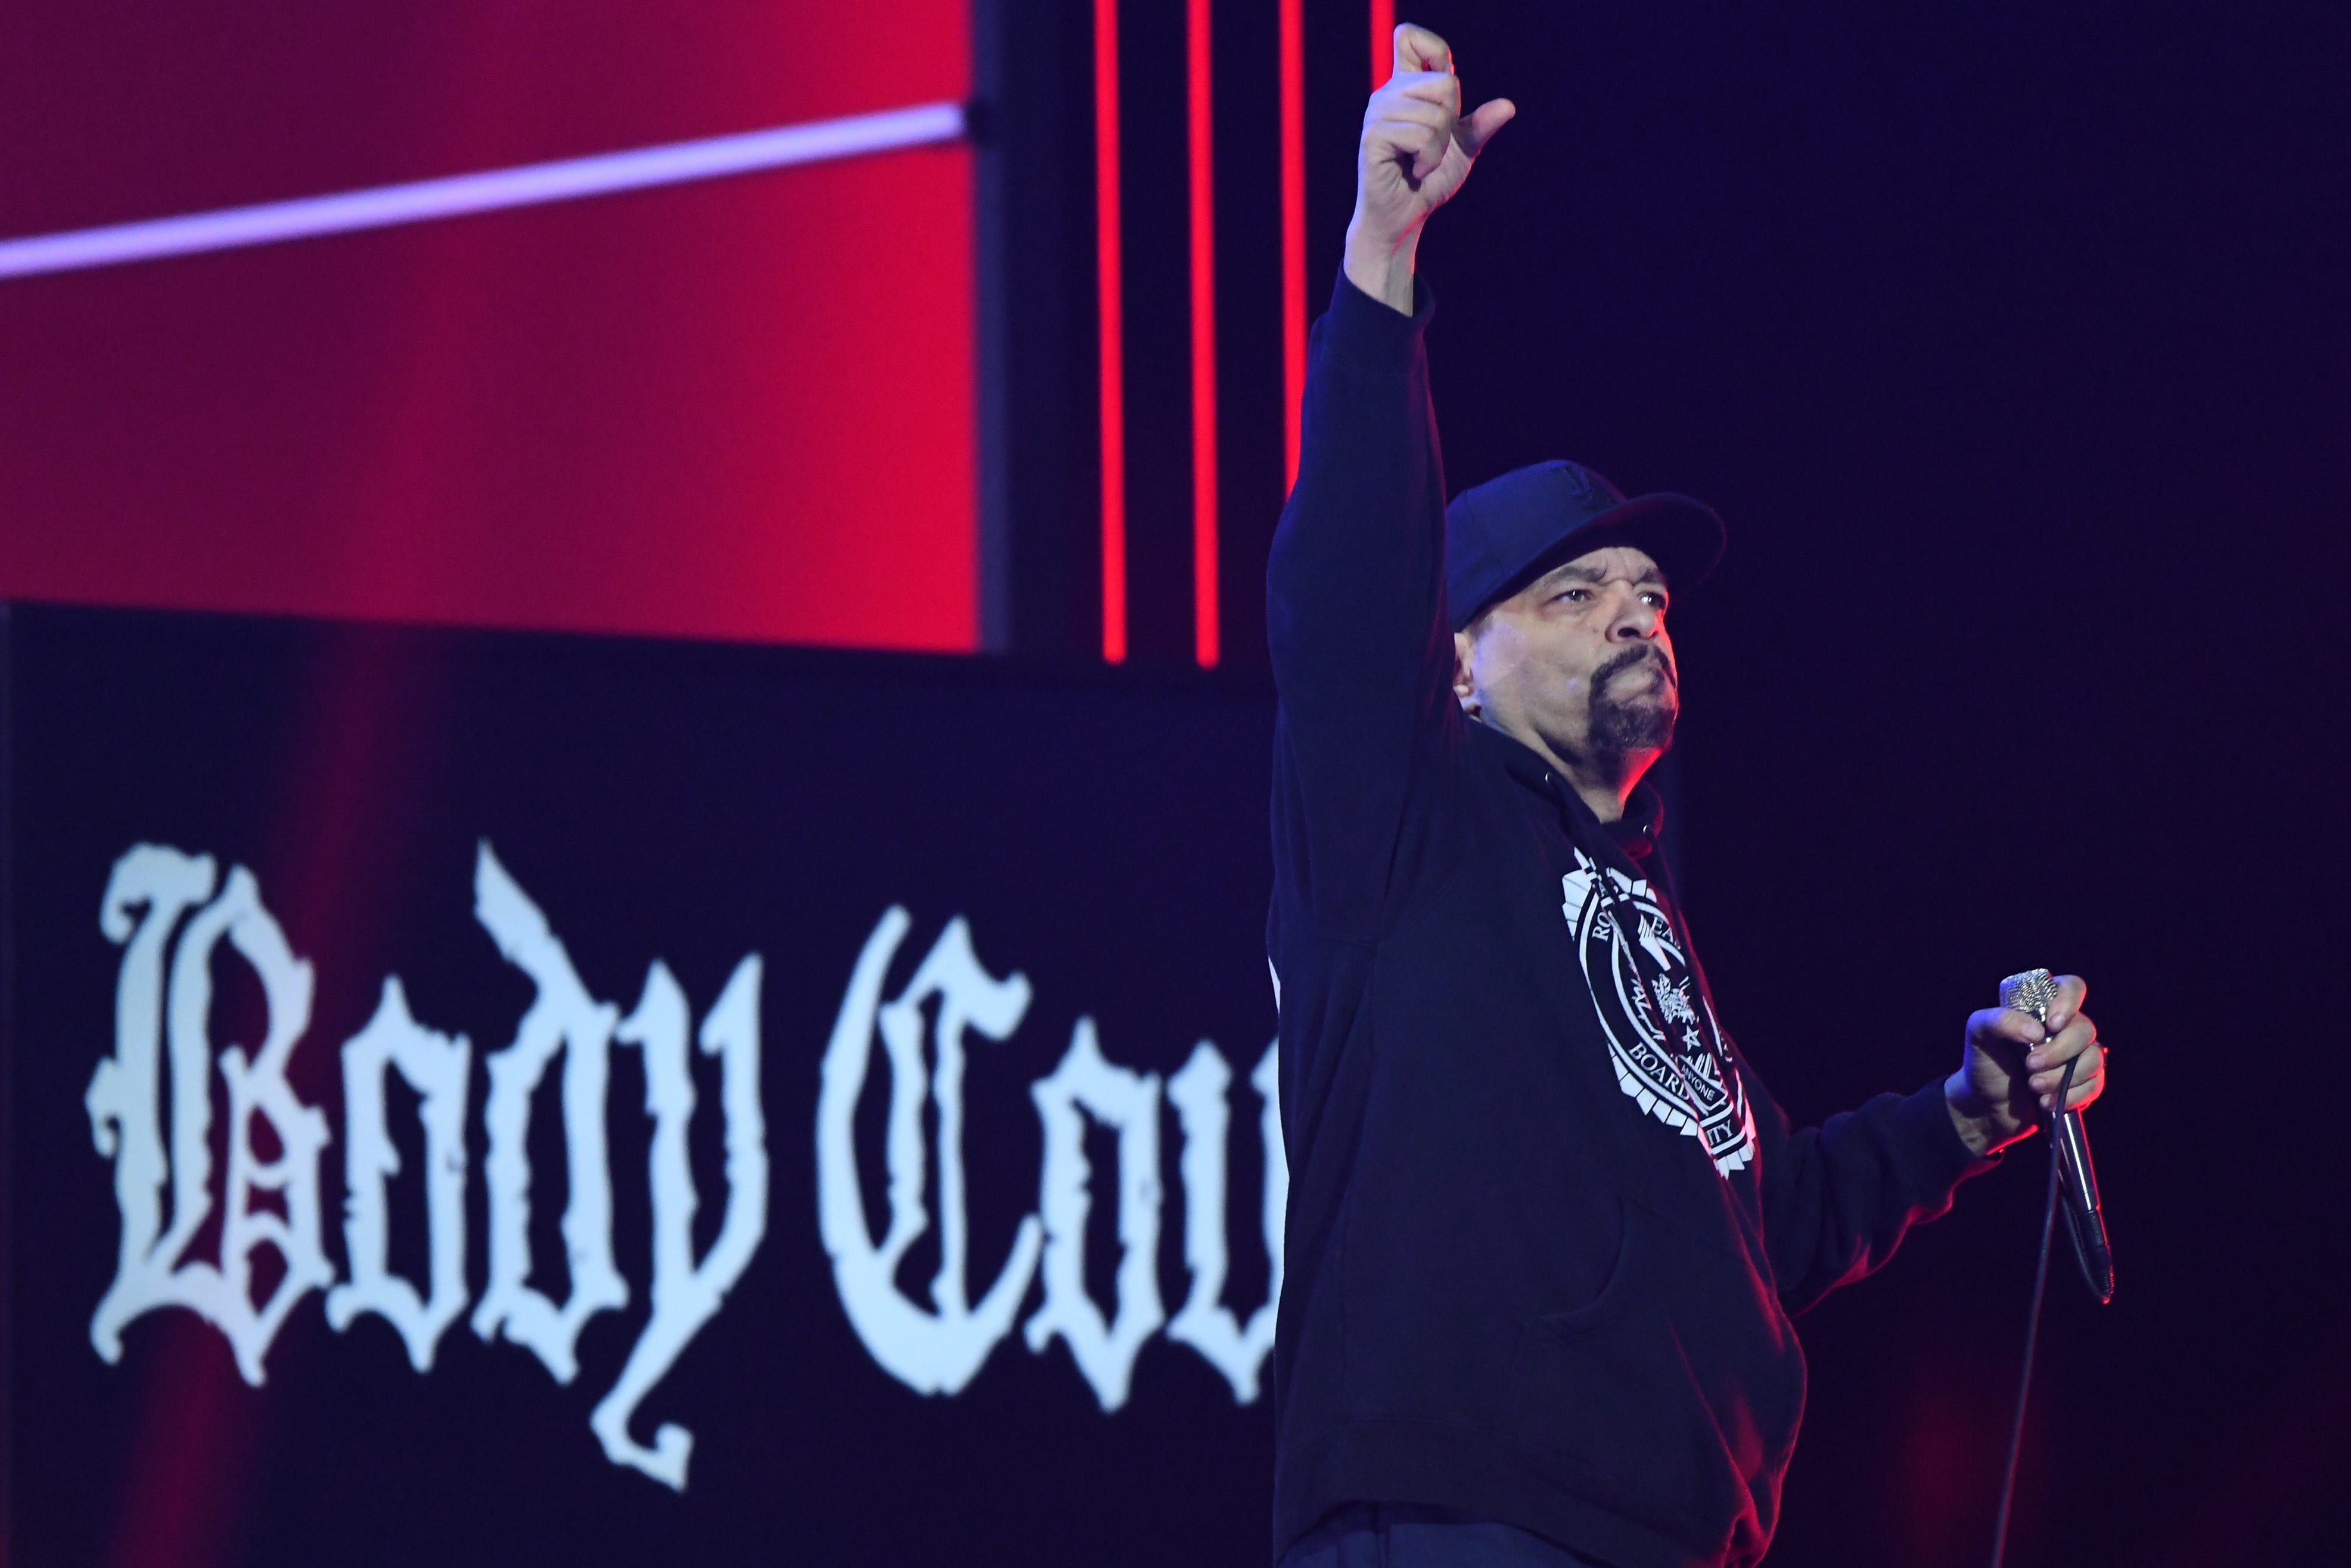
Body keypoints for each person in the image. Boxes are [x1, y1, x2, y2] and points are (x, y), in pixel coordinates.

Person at [1264, 23, 2108, 1568]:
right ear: (1453, 665)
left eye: (1647, 594)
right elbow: (1348, 586)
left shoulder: (1635, 906)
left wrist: (1967, 1115)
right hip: (1469, 1513)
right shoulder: (1405, 824)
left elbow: (1767, 1219)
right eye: (1574, 592)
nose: (1634, 616)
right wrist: (1383, 256)